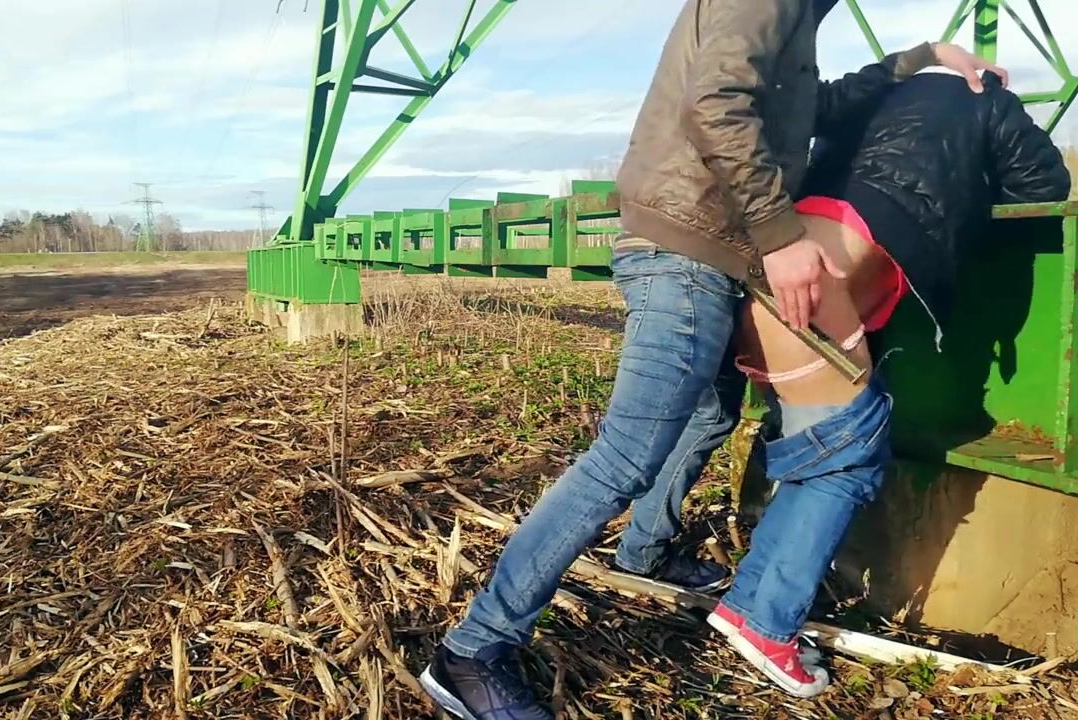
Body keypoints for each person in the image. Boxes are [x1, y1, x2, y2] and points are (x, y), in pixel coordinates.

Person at [418, 1, 1002, 717]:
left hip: (708, 251)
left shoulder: (797, 17)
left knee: (710, 413)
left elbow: (813, 108)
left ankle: (644, 552)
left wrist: (921, 59)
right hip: (687, 251)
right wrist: (781, 236)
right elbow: (717, 103)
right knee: (624, 458)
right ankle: (473, 651)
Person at [618, 65, 1069, 698]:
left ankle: (746, 602)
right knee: (849, 462)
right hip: (813, 291)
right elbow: (1043, 185)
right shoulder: (982, 97)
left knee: (815, 452)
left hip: (759, 271)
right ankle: (768, 624)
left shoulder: (866, 94)